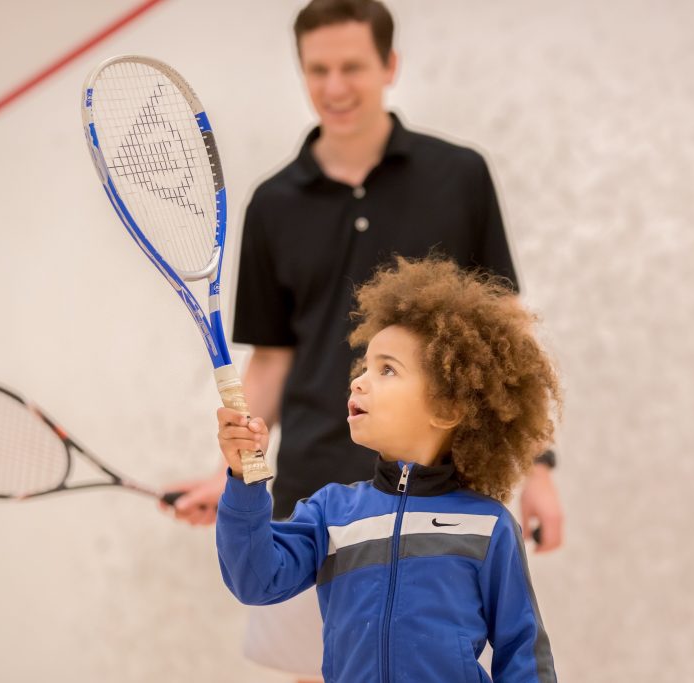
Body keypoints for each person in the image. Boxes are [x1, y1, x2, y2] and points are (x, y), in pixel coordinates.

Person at [163, 0, 564, 678]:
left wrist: (542, 469)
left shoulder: (459, 174)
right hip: (307, 483)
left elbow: (507, 343)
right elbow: (274, 359)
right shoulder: (272, 203)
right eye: (317, 69)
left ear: (390, 66)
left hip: (444, 491)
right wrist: (235, 477)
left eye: (352, 66)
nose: (335, 86)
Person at [216, 257, 560, 683]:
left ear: (447, 408)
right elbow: (255, 579)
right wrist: (243, 481)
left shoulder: (487, 527)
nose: (359, 381)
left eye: (387, 370)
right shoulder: (331, 512)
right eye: (364, 367)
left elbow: (522, 652)